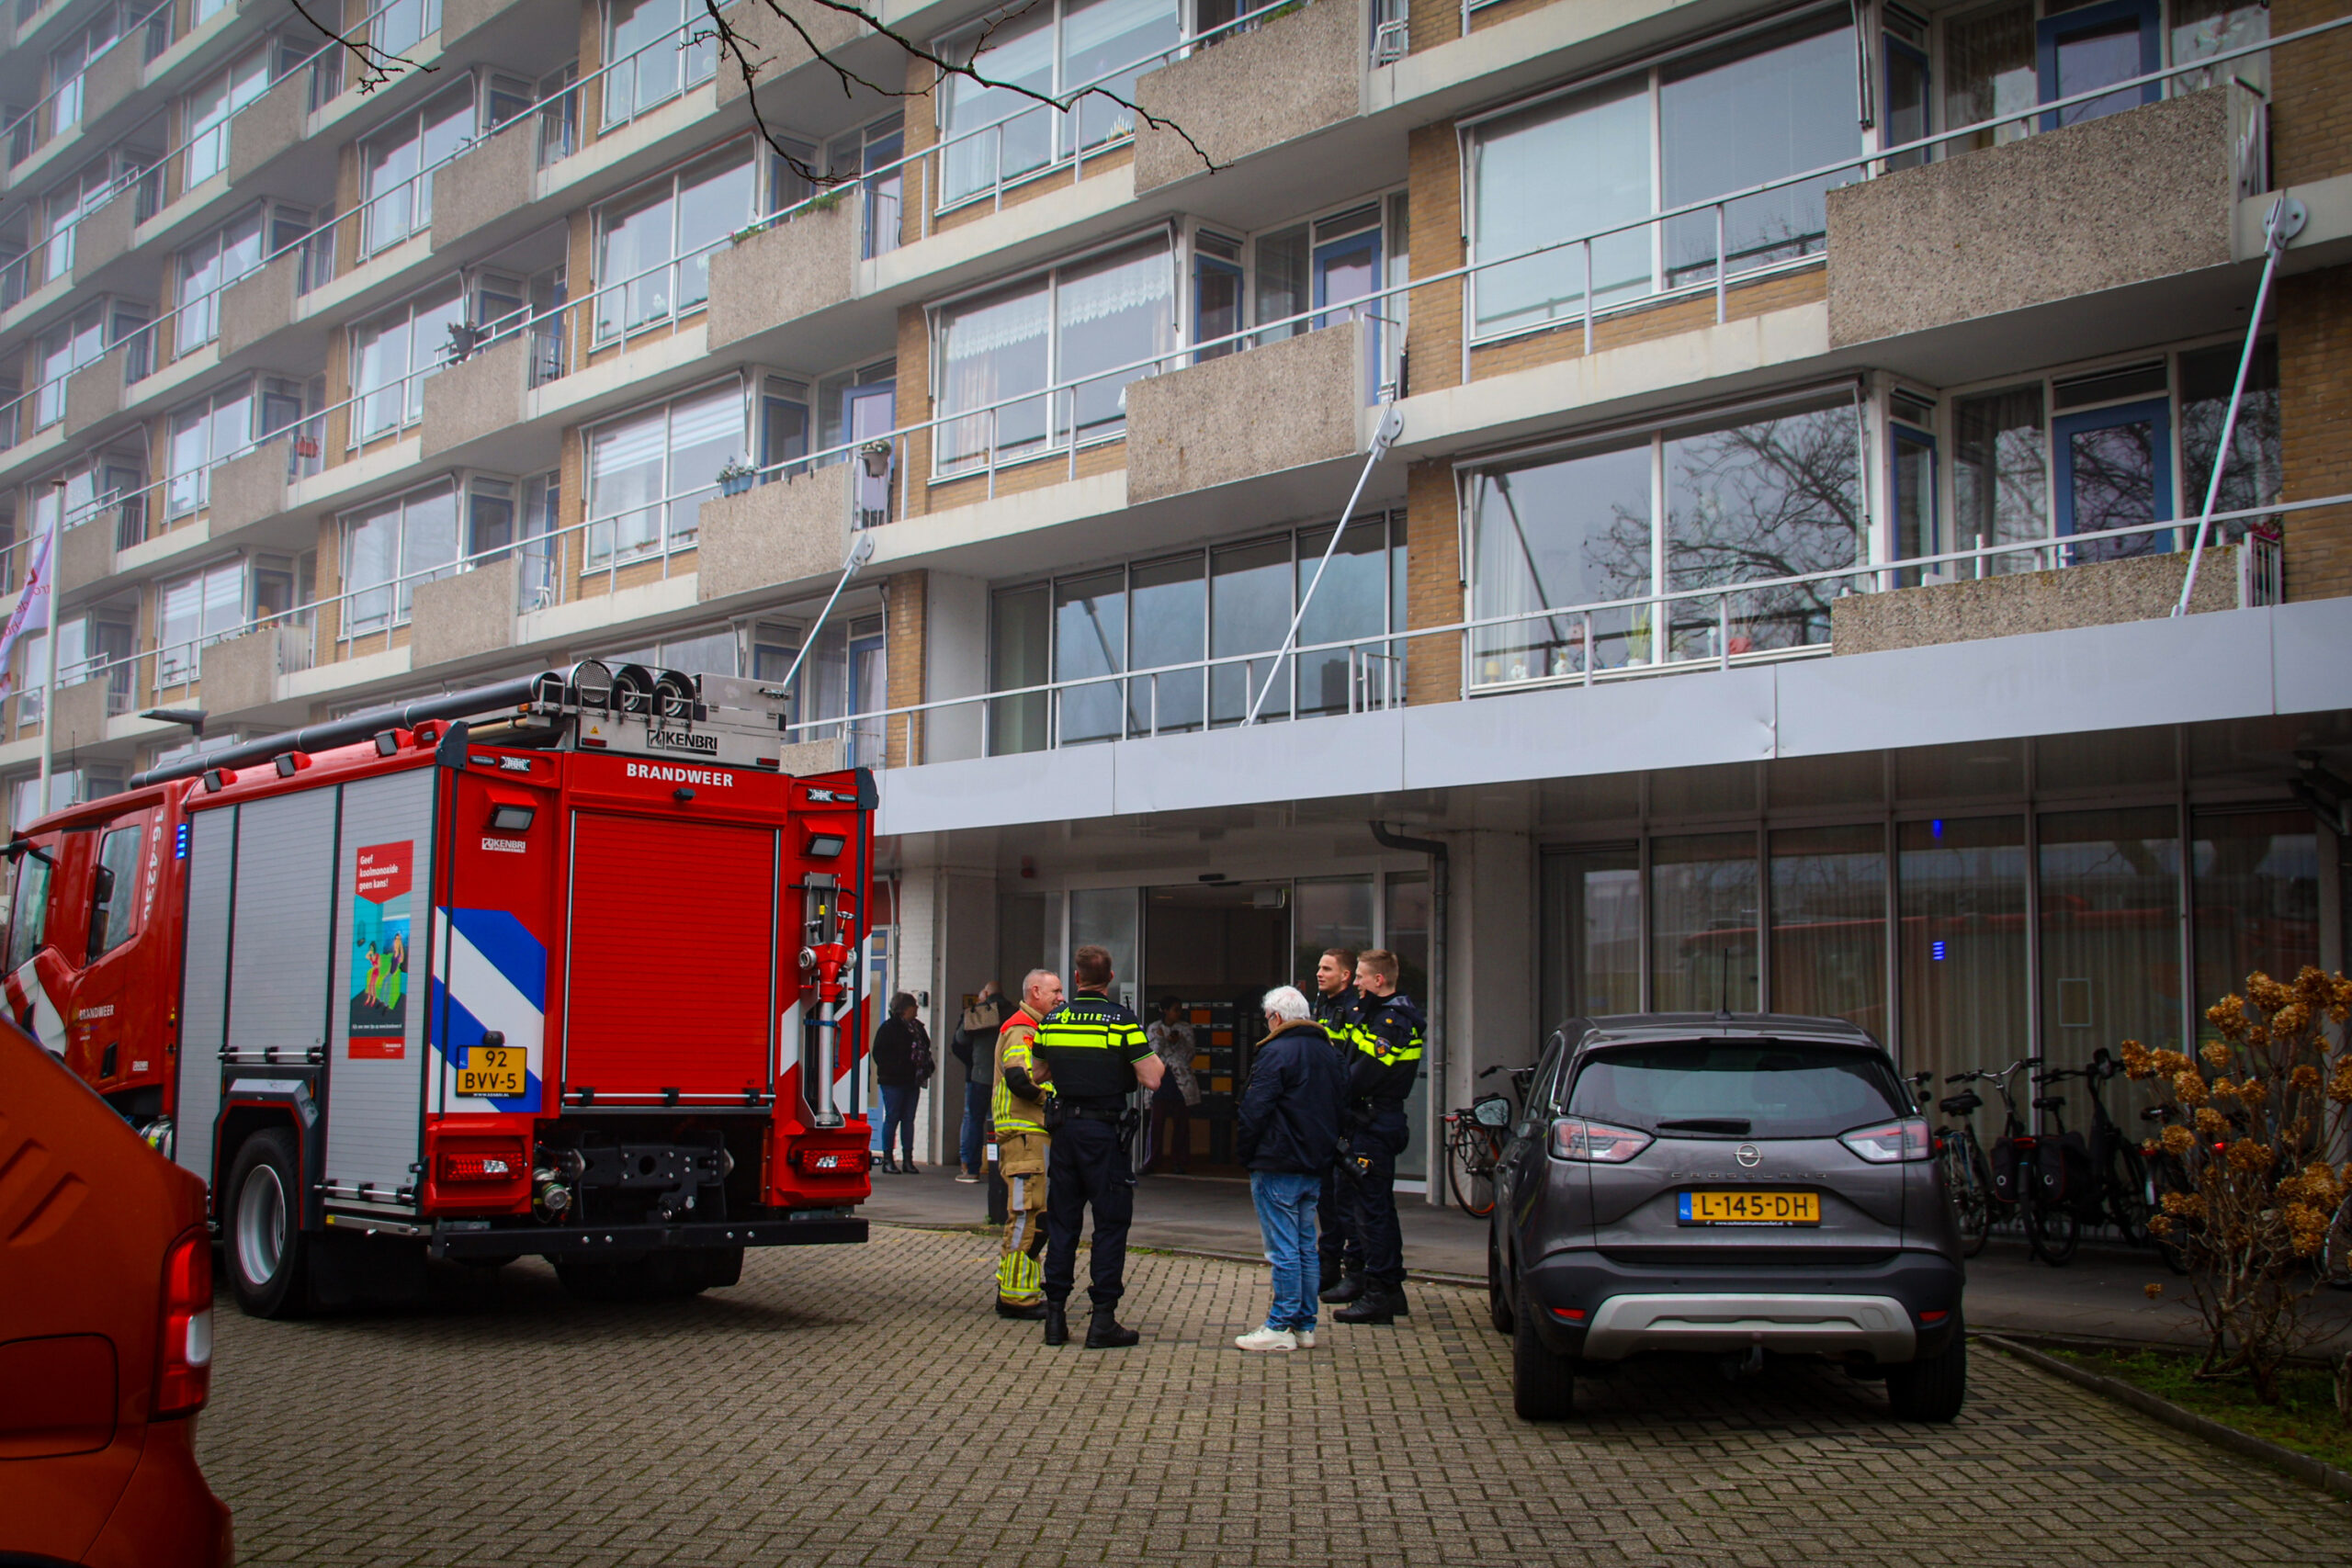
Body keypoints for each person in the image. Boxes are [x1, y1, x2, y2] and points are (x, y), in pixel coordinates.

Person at [1034, 944, 1162, 1348]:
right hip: (1104, 1135)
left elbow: (1038, 1073)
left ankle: (1055, 1319)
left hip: (1064, 1134)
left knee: (1062, 1222)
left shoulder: (1053, 1019)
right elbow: (1153, 1077)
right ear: (1109, 978)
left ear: (1076, 978)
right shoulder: (1121, 1021)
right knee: (1110, 1223)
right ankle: (1102, 1320)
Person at [1233, 986, 1346, 1352]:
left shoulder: (1276, 1051)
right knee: (1305, 1246)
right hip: (1314, 1162)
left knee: (1282, 1249)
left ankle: (1280, 1324)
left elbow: (1255, 1108)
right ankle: (1304, 1325)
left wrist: (1246, 1153)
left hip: (1277, 1160)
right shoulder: (1329, 1051)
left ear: (1277, 1018)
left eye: (1268, 1018)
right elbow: (1340, 1104)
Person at [1323, 948, 1424, 1325]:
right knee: (1367, 1205)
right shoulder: (1376, 1014)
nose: (1358, 983)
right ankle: (1384, 1287)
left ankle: (1379, 1292)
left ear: (1378, 980)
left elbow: (1364, 1075)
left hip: (1376, 1121)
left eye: (1362, 977)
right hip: (1366, 1120)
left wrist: (1331, 1094)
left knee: (1372, 1211)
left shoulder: (1392, 1021)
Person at [990, 969, 1063, 1318]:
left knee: (1036, 1216)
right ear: (1035, 991)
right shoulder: (1023, 1029)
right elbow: (1020, 1078)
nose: (1061, 998)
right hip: (1024, 1136)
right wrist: (1053, 1101)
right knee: (1028, 1216)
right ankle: (1016, 1299)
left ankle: (1016, 1289)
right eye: (1055, 991)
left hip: (1030, 1135)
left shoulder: (1034, 1028)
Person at [1309, 947, 1363, 1295]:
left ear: (1345, 975)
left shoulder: (1354, 1012)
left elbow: (1350, 1067)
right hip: (1324, 1115)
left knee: (1347, 1198)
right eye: (1319, 967)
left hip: (1346, 1117)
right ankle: (1328, 1264)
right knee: (1325, 1195)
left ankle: (1354, 1270)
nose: (1319, 973)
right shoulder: (1322, 1007)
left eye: (1327, 969)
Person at [952, 981, 1012, 1184]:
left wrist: (977, 1008)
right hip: (1005, 1077)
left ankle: (971, 1169)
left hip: (980, 1076)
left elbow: (960, 1039)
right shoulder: (1012, 1012)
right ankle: (1004, 1167)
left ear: (985, 994)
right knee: (1003, 1121)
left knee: (974, 1121)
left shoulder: (979, 1011)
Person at [869, 994, 933, 1174]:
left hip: (912, 1079)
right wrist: (895, 1067)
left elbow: (925, 1048)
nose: (917, 1008)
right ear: (905, 1009)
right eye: (914, 1005)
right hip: (893, 1081)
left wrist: (926, 1067)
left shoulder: (918, 1028)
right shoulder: (889, 1028)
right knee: (893, 1117)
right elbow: (879, 1053)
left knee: (908, 1119)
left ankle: (908, 1160)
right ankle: (888, 1159)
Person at [1138, 997, 1200, 1175]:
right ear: (1165, 1010)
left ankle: (1179, 1161)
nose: (1178, 1013)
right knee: (1156, 1123)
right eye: (1175, 1009)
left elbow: (1190, 1054)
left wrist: (1179, 1042)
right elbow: (1151, 1053)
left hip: (1180, 1081)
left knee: (1181, 1124)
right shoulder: (1154, 1028)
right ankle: (1152, 1161)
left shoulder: (1185, 1028)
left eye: (1180, 1009)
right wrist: (1161, 1039)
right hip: (1160, 1080)